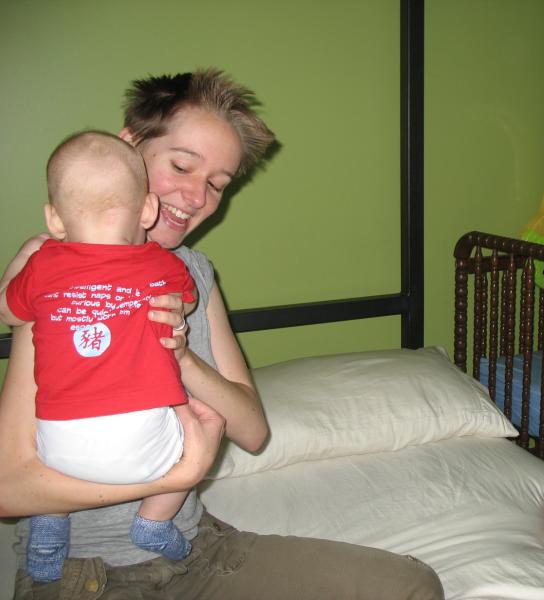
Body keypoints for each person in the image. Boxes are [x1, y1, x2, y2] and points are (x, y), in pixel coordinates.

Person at [0, 68, 444, 599]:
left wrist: (181, 357)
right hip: (88, 574)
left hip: (198, 551)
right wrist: (174, 477)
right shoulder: (59, 273)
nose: (195, 196)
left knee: (410, 586)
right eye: (181, 165)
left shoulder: (193, 272)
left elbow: (252, 431)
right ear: (130, 146)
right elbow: (9, 488)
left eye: (216, 184)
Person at [0, 131, 198, 583]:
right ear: (148, 210)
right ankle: (153, 520)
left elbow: (7, 312)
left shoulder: (42, 265)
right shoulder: (163, 264)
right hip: (147, 455)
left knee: (46, 438)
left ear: (54, 218)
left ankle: (50, 521)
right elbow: (183, 302)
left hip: (57, 455)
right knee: (200, 425)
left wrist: (23, 259)